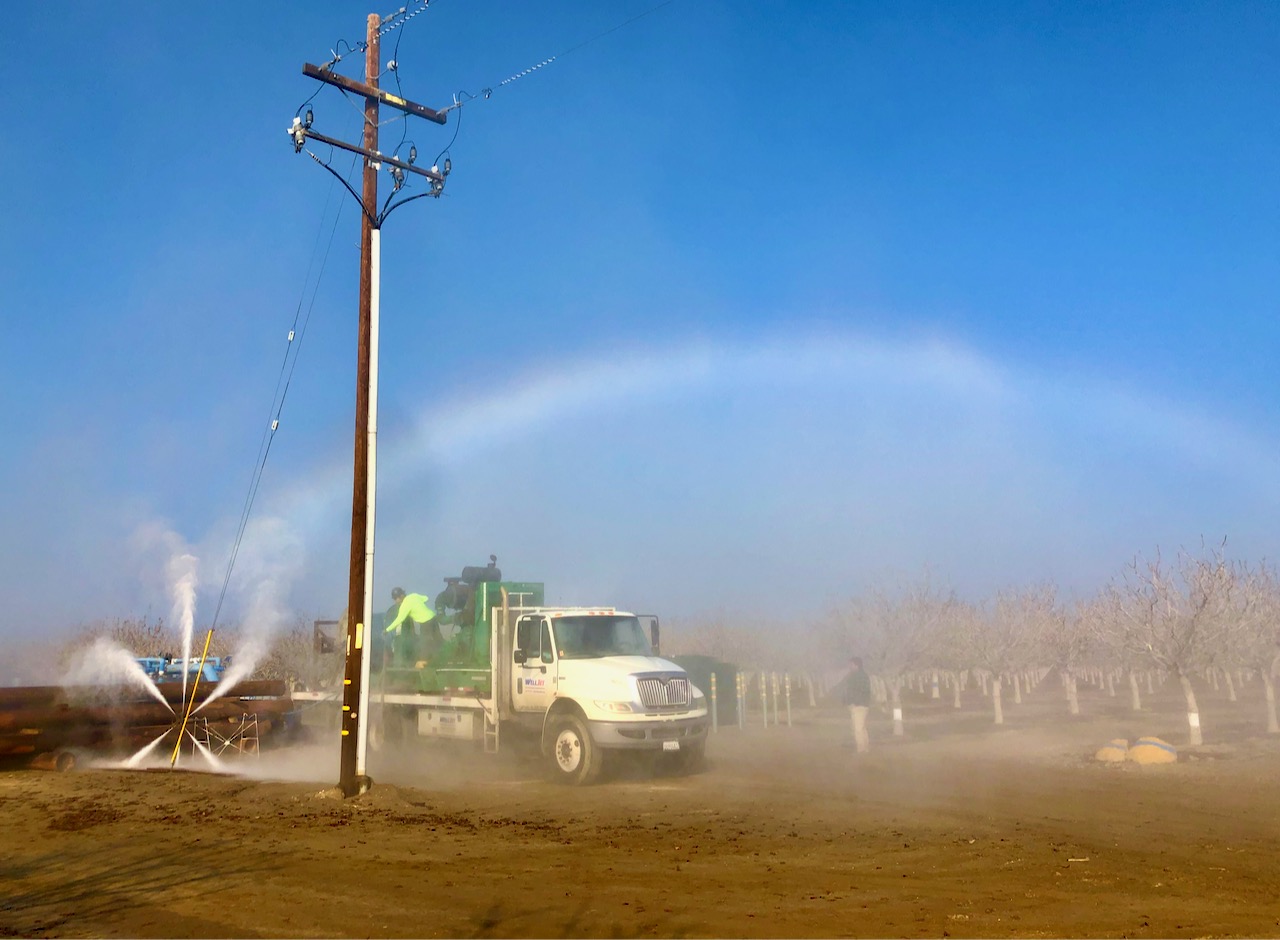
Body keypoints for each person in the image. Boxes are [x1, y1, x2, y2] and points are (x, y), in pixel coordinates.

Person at [385, 587, 441, 666]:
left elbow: (399, 620)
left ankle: (422, 662)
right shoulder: (413, 596)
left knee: (424, 641)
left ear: (400, 597)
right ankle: (442, 657)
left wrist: (387, 630)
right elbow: (425, 598)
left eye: (395, 598)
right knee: (438, 639)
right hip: (433, 618)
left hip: (425, 622)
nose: (395, 601)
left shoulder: (404, 606)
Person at [843, 656, 872, 753]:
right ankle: (865, 747)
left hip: (858, 705)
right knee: (862, 727)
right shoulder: (863, 675)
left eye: (851, 664)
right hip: (863, 704)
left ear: (856, 665)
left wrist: (852, 702)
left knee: (857, 728)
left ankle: (861, 749)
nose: (849, 666)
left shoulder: (856, 676)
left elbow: (855, 691)